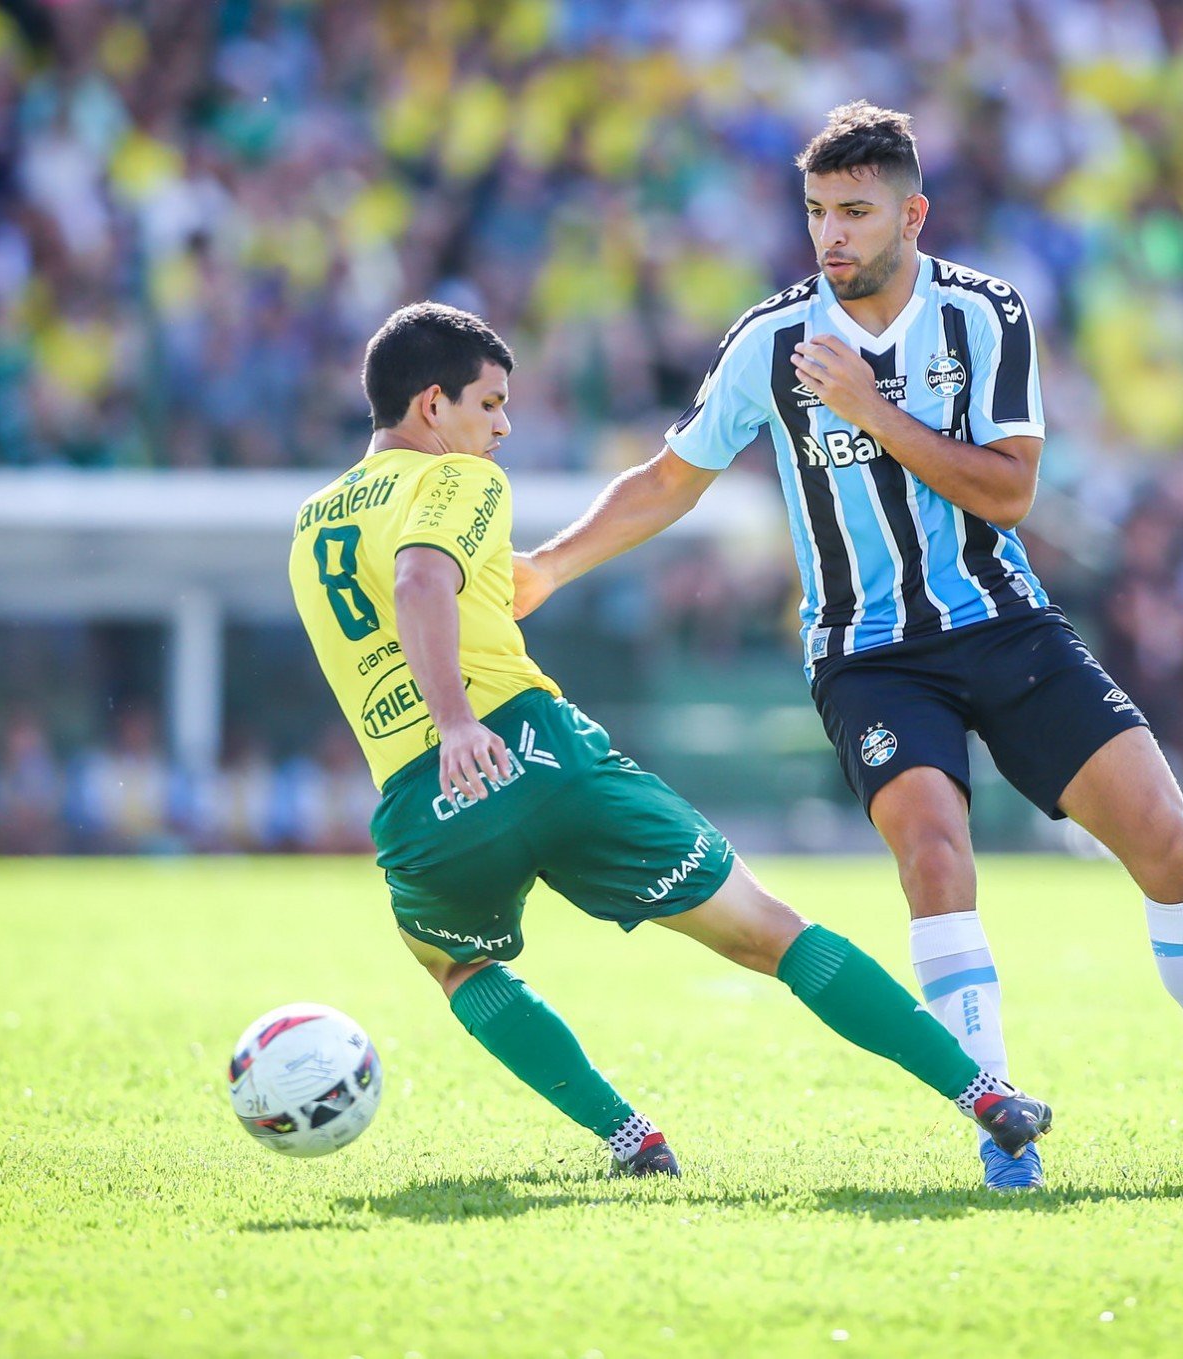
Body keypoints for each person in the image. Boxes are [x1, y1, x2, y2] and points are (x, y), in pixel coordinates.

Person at [515, 102, 1183, 1186]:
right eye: (817, 212)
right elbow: (671, 477)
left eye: (855, 211)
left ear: (913, 212)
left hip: (1002, 623)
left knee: (1170, 843)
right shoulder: (771, 340)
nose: (832, 236)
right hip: (868, 655)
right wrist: (547, 566)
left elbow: (1009, 490)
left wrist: (868, 410)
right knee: (936, 858)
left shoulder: (986, 315)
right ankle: (1005, 1132)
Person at [287, 301, 1048, 1178]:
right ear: (431, 407)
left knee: (454, 964)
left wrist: (446, 732)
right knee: (770, 932)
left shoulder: (312, 524)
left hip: (425, 806)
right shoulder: (457, 481)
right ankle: (985, 1096)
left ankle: (629, 1137)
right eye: (490, 404)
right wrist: (459, 718)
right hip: (534, 753)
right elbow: (423, 578)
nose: (503, 426)